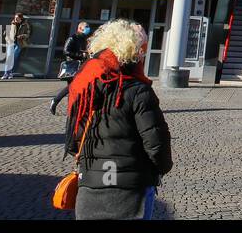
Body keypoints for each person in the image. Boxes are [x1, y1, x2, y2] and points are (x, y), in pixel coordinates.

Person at [64, 19, 172, 219]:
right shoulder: (138, 90)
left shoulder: (85, 85)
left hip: (91, 185)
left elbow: (72, 141)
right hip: (131, 188)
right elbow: (157, 143)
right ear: (135, 52)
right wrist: (159, 170)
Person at [49, 21, 92, 114]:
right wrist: (81, 55)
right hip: (72, 65)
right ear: (80, 28)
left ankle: (71, 108)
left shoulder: (84, 39)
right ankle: (56, 100)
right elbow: (66, 51)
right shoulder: (73, 38)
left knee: (73, 87)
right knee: (72, 86)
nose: (88, 29)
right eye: (86, 27)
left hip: (81, 65)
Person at [0, 12, 31, 80]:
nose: (15, 19)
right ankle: (6, 73)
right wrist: (7, 39)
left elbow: (28, 34)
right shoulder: (12, 23)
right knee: (9, 58)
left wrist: (21, 36)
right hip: (11, 43)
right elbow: (6, 32)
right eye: (15, 18)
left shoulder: (25, 25)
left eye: (17, 18)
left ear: (21, 18)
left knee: (13, 58)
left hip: (19, 44)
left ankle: (10, 73)